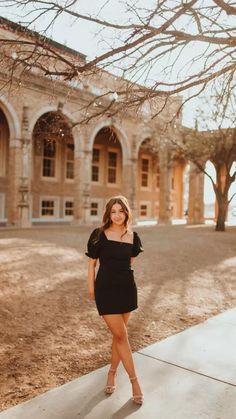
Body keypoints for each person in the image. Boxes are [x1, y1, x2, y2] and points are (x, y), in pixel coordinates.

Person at [85, 195, 144, 405]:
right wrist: (91, 289)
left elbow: (129, 263)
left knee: (120, 337)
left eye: (121, 211)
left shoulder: (133, 237)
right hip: (106, 290)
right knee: (121, 335)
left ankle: (111, 372)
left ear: (127, 212)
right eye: (113, 211)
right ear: (108, 214)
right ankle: (134, 382)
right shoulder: (98, 235)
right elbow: (92, 264)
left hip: (127, 290)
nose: (117, 215)